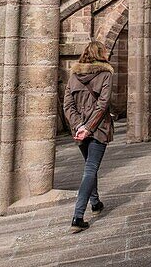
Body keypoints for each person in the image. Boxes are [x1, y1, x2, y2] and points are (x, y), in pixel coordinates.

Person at [62, 40, 114, 232]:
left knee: (90, 166)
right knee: (91, 168)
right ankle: (78, 216)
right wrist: (89, 128)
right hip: (98, 128)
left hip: (80, 130)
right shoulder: (106, 74)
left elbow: (68, 105)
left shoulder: (74, 74)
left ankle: (95, 202)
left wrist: (78, 126)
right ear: (101, 54)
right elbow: (103, 104)